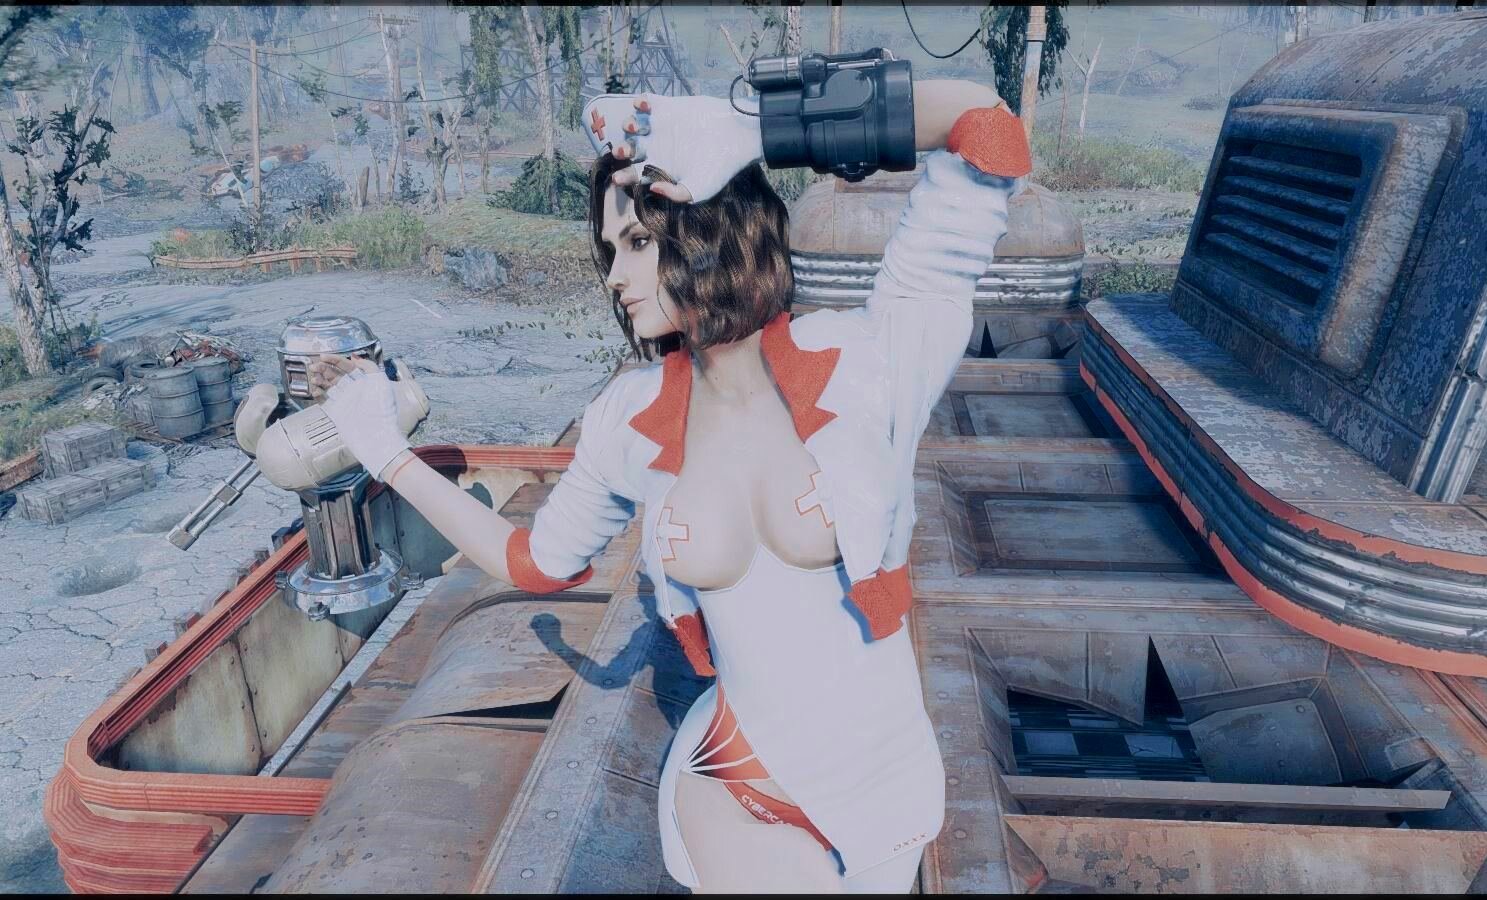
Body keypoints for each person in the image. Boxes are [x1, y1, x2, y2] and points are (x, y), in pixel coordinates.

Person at [309, 76, 1030, 893]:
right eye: (611, 249)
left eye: (638, 243)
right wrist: (385, 452)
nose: (615, 276)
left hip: (883, 794)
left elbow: (987, 127)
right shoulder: (628, 417)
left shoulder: (871, 360)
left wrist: (757, 129)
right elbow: (536, 563)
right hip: (731, 782)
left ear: (709, 227)